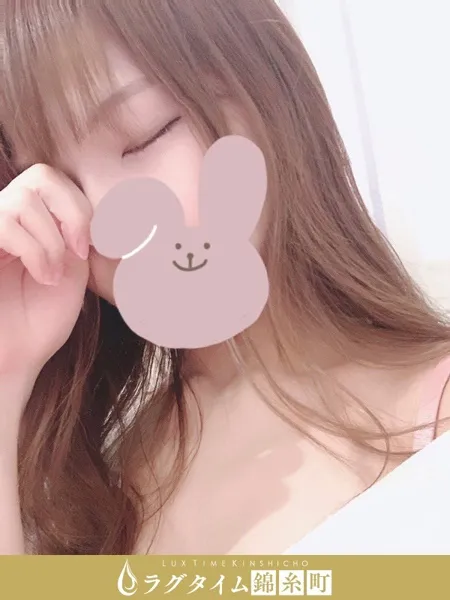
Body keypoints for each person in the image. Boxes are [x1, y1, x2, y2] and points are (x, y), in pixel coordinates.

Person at [0, 0, 449, 556]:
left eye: (143, 135)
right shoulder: (83, 485)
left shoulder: (429, 413)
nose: (99, 225)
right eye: (53, 186)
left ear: (269, 92)